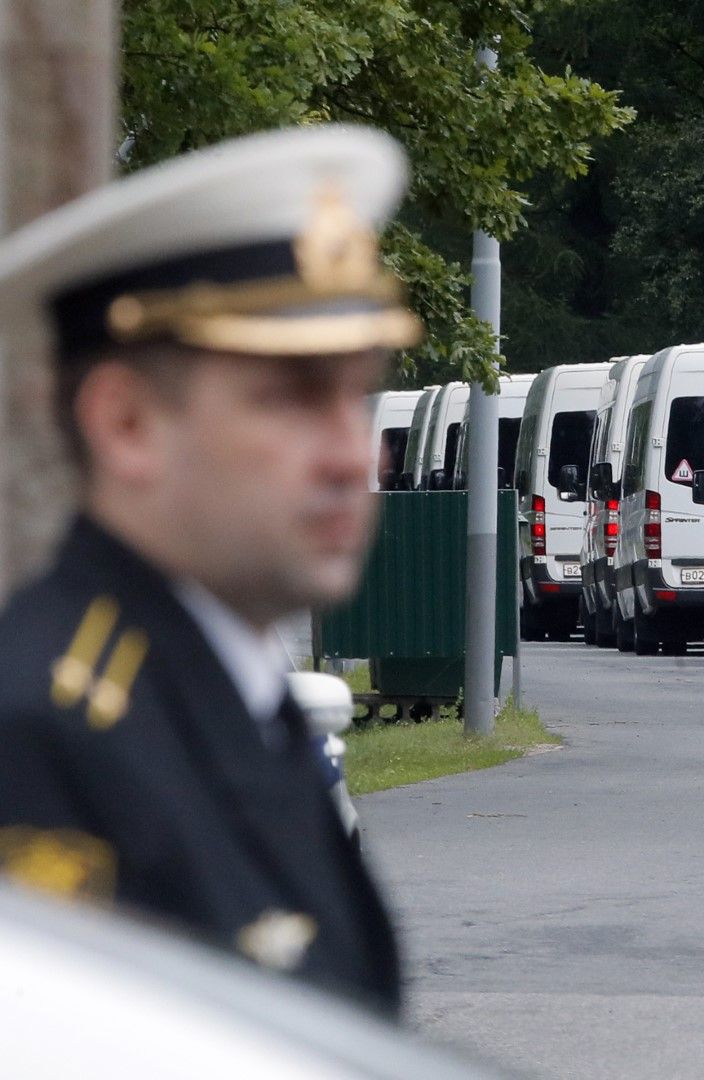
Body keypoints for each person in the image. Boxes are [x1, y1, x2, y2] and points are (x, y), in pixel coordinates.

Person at [0, 127, 421, 1016]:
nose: (352, 456)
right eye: (292, 397)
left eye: (358, 394)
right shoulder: (39, 736)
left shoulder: (227, 693)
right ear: (125, 425)